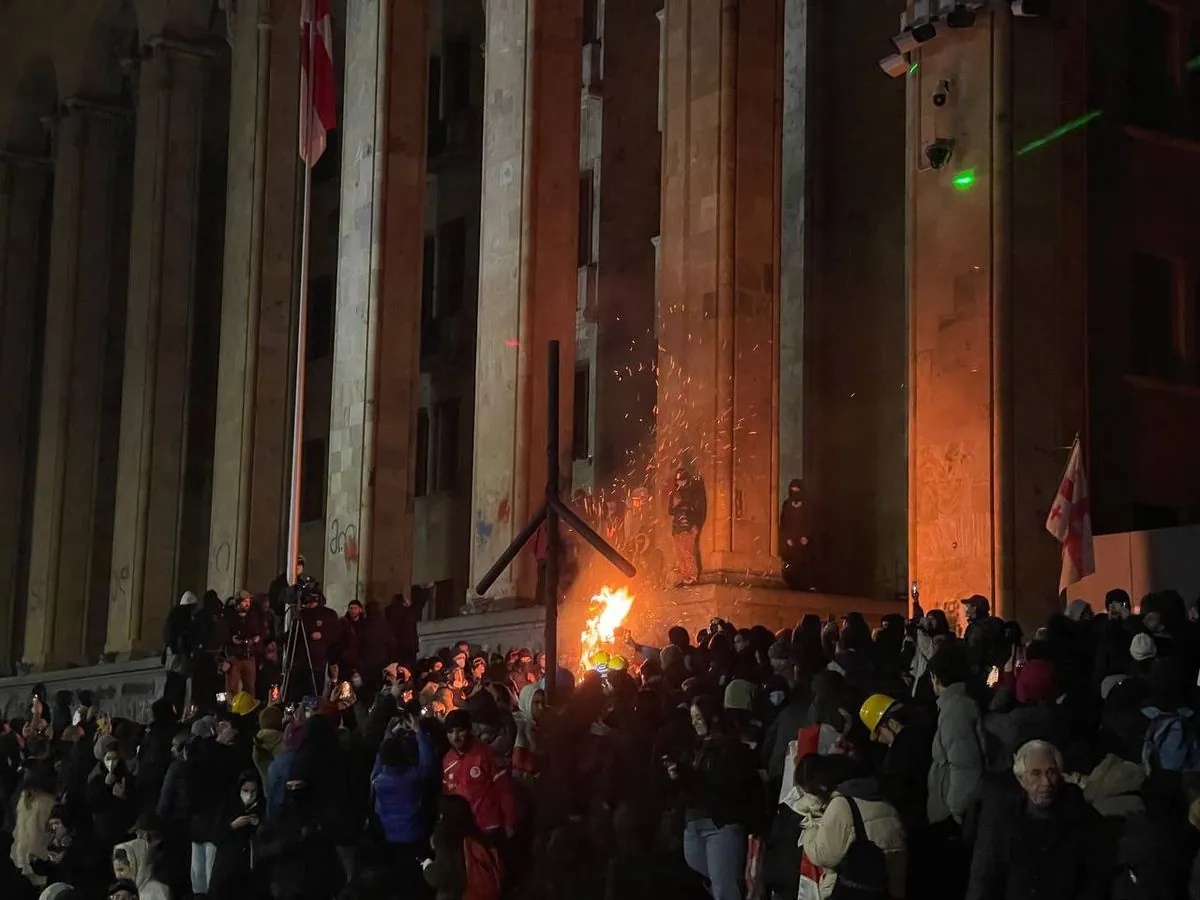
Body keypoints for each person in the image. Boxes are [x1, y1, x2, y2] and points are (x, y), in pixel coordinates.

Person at [966, 740, 1108, 900]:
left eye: (1051, 772)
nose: (1046, 782)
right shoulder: (1002, 821)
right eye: (1036, 773)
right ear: (1021, 780)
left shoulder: (1084, 819)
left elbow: (1095, 884)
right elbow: (984, 879)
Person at [665, 694, 763, 900]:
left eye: (699, 718)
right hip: (694, 825)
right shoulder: (697, 748)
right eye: (693, 719)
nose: (696, 724)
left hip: (720, 825)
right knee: (719, 879)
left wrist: (690, 776)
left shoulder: (731, 748)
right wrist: (678, 776)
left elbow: (725, 787)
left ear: (714, 717)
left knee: (725, 890)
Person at [442, 710, 516, 838]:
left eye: (459, 731)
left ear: (469, 730)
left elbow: (504, 790)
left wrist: (510, 823)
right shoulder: (447, 760)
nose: (455, 737)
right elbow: (448, 796)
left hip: (488, 827)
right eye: (450, 732)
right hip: (463, 829)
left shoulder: (485, 755)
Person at [422, 794, 502, 900]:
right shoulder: (477, 834)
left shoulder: (445, 839)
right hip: (481, 890)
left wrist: (427, 866)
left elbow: (437, 877)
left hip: (458, 893)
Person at [208, 772, 264, 900]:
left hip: (249, 870)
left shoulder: (261, 807)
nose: (249, 795)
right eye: (245, 790)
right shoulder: (228, 806)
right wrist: (233, 826)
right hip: (227, 868)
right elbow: (216, 836)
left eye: (253, 791)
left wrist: (258, 824)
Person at [668, 468, 706, 587]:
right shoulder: (675, 493)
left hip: (688, 525)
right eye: (678, 481)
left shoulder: (693, 492)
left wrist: (695, 524)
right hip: (677, 527)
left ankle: (692, 576)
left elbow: (698, 509)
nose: (680, 483)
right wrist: (675, 502)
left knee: (688, 552)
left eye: (682, 480)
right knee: (680, 554)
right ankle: (685, 577)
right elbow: (671, 510)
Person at [224, 592, 264, 699]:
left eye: (249, 602)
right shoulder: (229, 618)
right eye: (244, 602)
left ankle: (249, 710)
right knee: (232, 689)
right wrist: (232, 640)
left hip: (249, 656)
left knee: (250, 688)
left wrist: (256, 639)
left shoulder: (253, 617)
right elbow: (224, 635)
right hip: (234, 657)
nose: (247, 604)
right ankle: (232, 711)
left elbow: (260, 631)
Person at [778, 478, 812, 590]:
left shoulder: (806, 505)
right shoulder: (787, 504)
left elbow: (810, 521)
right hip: (791, 539)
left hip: (803, 539)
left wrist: (806, 536)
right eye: (792, 491)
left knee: (803, 561)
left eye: (797, 490)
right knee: (790, 561)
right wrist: (787, 537)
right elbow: (783, 522)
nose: (794, 493)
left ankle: (803, 584)